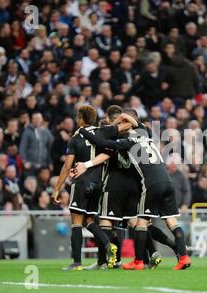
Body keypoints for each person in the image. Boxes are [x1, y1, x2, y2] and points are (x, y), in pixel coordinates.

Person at [77, 109, 191, 271]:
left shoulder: (127, 141)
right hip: (167, 181)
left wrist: (83, 131)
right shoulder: (145, 133)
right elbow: (132, 120)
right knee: (171, 222)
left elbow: (102, 144)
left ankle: (137, 261)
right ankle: (183, 256)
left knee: (140, 224)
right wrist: (123, 119)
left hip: (149, 184)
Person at [51, 105, 119, 271]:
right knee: (89, 220)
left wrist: (56, 189)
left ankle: (76, 262)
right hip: (98, 183)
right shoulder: (103, 132)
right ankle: (108, 244)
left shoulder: (76, 138)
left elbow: (67, 167)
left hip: (81, 183)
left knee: (76, 223)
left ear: (81, 119)